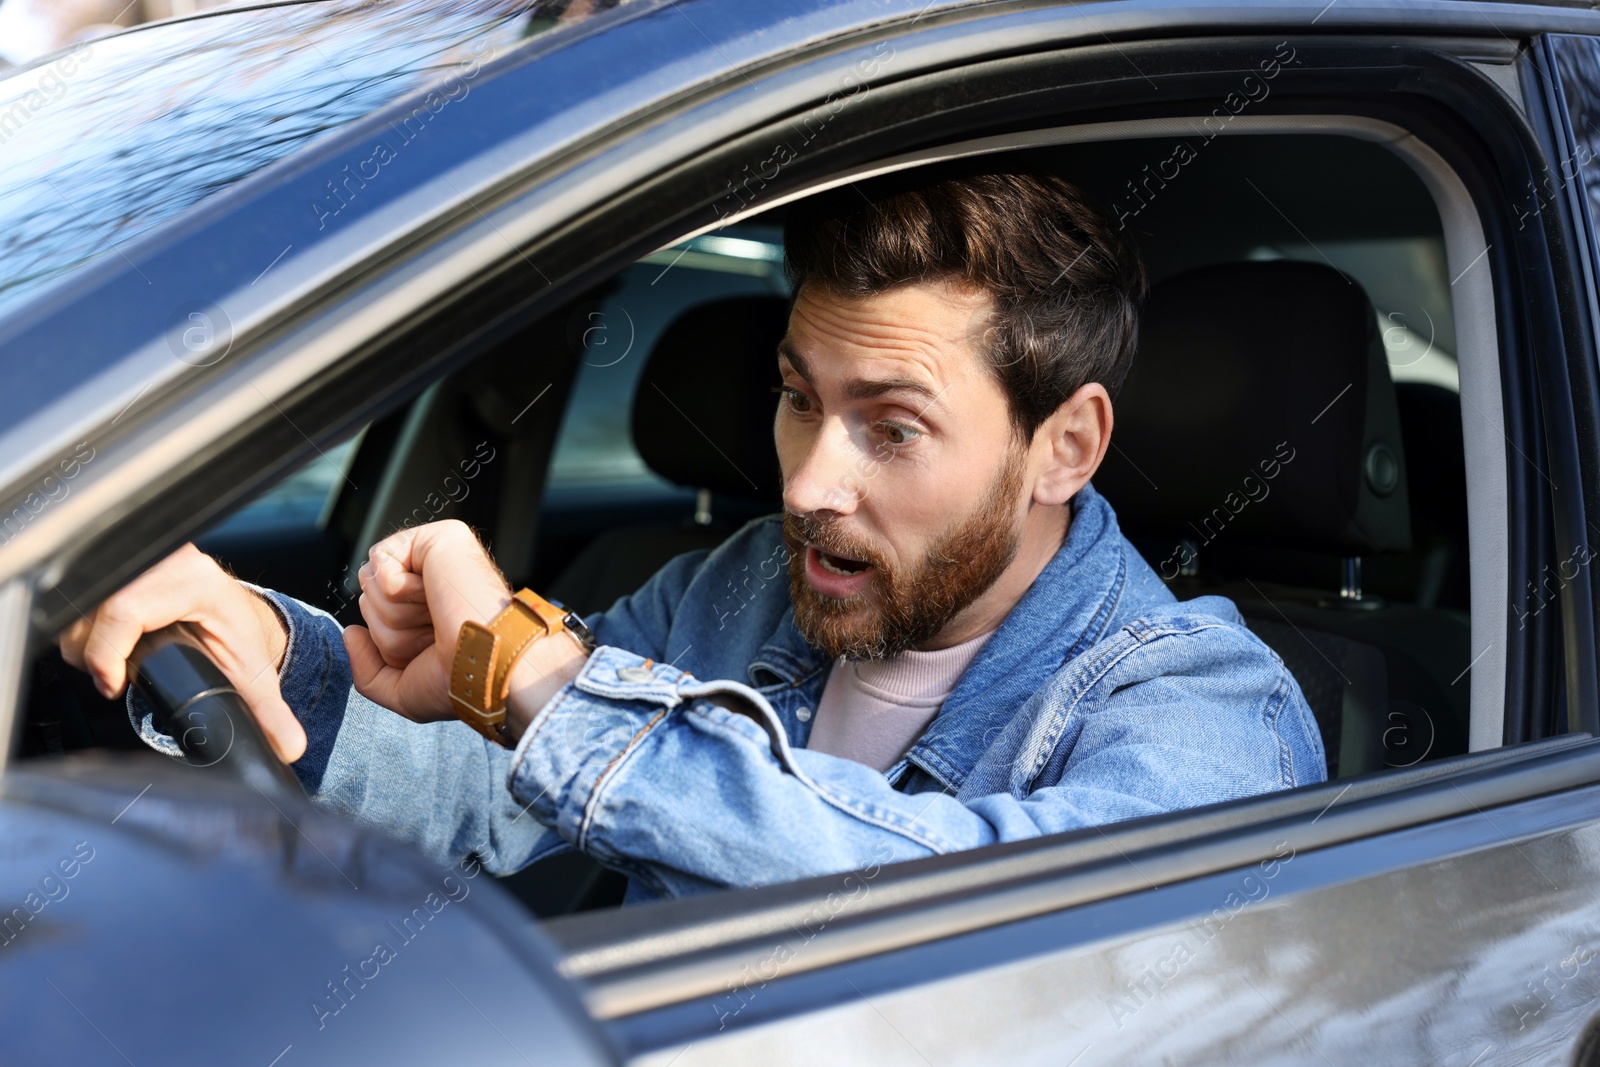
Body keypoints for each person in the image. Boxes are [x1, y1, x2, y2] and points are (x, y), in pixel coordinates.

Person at [61, 172, 1326, 901]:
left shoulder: (1204, 704)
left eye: (891, 427)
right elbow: (503, 790)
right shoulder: (740, 589)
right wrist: (275, 655)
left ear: (1066, 443)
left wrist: (538, 674)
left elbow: (985, 913)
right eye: (796, 398)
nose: (810, 482)